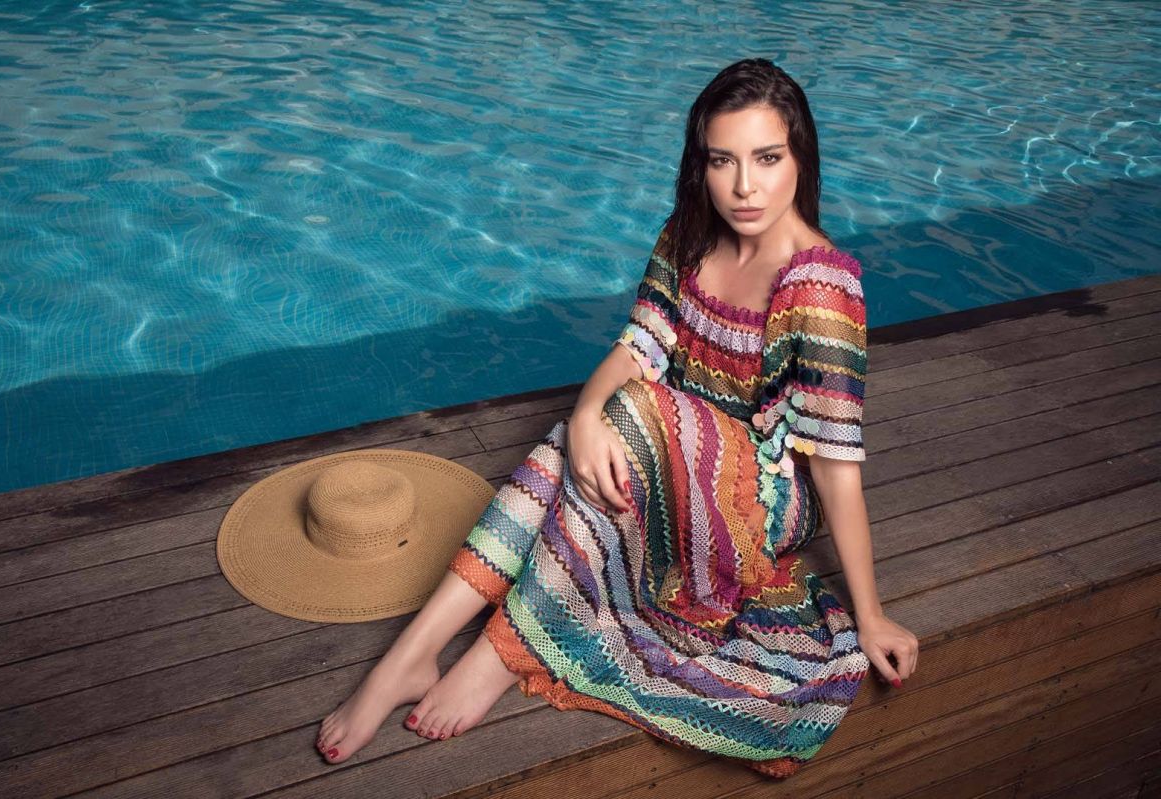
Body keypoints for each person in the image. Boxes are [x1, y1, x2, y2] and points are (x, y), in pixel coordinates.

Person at [315, 56, 918, 778]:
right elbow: (640, 344)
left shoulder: (819, 285)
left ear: (800, 159)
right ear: (701, 164)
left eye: (767, 158)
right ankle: (409, 655)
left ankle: (497, 655)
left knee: (627, 413)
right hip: (666, 447)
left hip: (766, 501)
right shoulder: (690, 233)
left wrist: (870, 613)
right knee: (573, 445)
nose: (744, 186)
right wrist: (585, 415)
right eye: (722, 160)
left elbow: (837, 464)